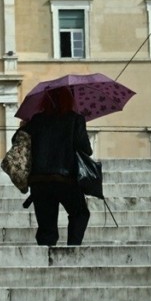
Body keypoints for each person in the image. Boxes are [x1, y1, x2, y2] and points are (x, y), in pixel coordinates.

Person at [21, 86, 93, 246]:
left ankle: (46, 260)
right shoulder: (75, 119)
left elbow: (17, 142)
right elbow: (87, 150)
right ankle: (73, 249)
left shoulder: (36, 120)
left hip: (39, 181)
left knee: (46, 228)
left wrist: (24, 125)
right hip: (66, 179)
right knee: (80, 213)